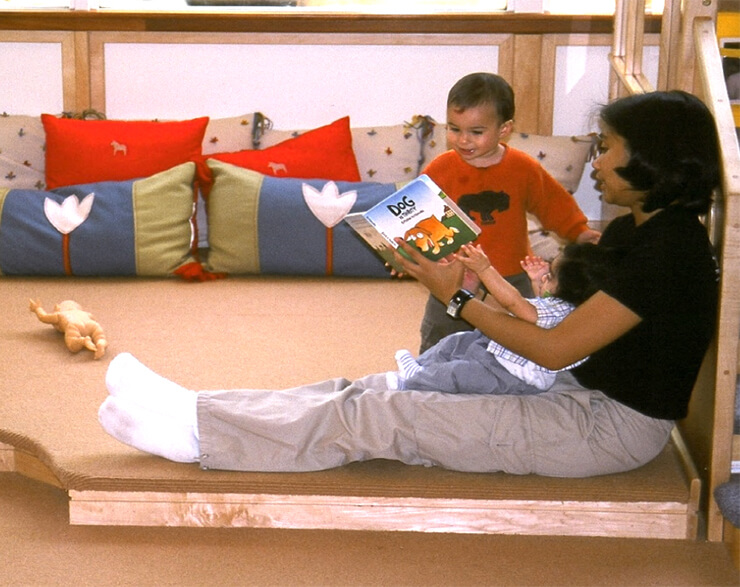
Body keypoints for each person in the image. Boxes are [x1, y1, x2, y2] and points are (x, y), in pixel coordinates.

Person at [98, 90, 720, 478]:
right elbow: (558, 328)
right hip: (572, 390)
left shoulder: (673, 253)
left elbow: (555, 349)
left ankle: (198, 436)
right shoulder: (637, 230)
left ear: (655, 159)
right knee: (377, 388)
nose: (596, 161)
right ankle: (199, 409)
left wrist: (457, 296)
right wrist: (473, 281)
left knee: (388, 416)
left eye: (607, 148)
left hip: (601, 427)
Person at [418, 72, 601, 353]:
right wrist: (407, 250)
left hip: (511, 274)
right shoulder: (441, 168)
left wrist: (579, 231)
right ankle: (428, 377)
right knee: (441, 337)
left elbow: (553, 204)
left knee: (515, 339)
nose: (463, 140)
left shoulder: (523, 168)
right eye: (454, 129)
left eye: (476, 132)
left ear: (504, 129)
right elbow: (417, 215)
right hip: (454, 274)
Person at [394, 242, 619, 395]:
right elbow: (538, 308)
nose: (544, 279)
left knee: (457, 374)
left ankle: (416, 380)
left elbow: (514, 304)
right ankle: (419, 365)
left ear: (567, 289)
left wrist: (486, 269)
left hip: (509, 376)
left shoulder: (562, 311)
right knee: (458, 341)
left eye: (549, 276)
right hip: (503, 358)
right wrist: (538, 283)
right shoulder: (566, 307)